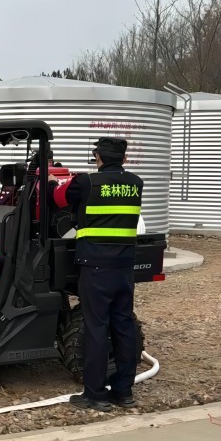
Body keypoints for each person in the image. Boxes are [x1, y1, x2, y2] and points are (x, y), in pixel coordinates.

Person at [49, 137, 144, 412]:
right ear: (124, 159)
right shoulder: (136, 183)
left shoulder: (87, 182)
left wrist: (54, 182)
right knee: (123, 325)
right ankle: (124, 392)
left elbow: (57, 198)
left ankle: (95, 394)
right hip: (124, 266)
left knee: (96, 327)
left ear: (97, 157)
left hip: (96, 265)